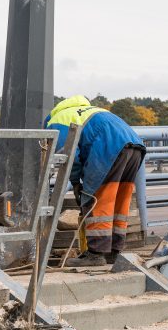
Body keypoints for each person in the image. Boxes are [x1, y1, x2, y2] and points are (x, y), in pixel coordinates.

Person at [45, 96, 145, 266]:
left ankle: (95, 254)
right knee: (119, 201)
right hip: (135, 146)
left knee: (97, 199)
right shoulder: (93, 110)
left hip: (108, 148)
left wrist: (76, 182)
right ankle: (114, 251)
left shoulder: (55, 121)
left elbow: (69, 155)